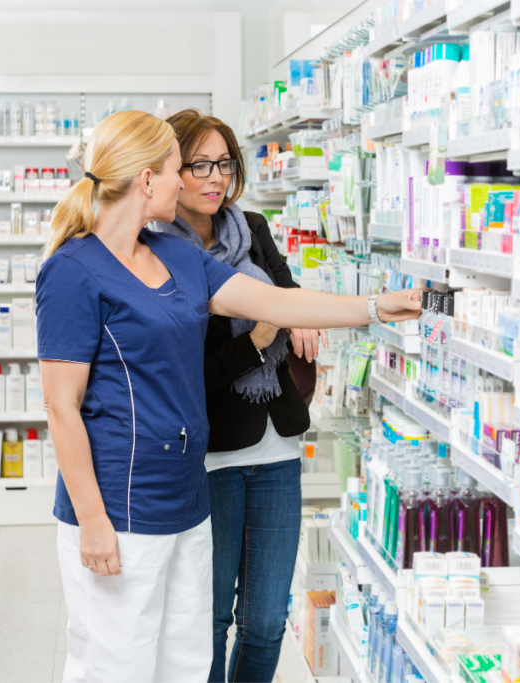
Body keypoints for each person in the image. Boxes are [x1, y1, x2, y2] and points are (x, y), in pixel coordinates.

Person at [37, 109, 420, 683]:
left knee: (186, 663)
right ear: (146, 180)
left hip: (186, 502)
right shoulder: (73, 271)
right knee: (117, 664)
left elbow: (279, 305)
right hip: (118, 506)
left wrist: (373, 307)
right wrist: (92, 519)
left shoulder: (175, 257)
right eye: (176, 170)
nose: (190, 182)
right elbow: (60, 407)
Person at [149, 109, 320, 683]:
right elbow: (185, 373)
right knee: (213, 617)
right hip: (213, 454)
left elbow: (288, 291)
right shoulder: (156, 255)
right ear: (170, 169)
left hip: (277, 447)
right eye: (198, 164)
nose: (213, 176)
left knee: (268, 621)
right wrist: (260, 338)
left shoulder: (253, 226)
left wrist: (301, 316)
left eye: (223, 163)